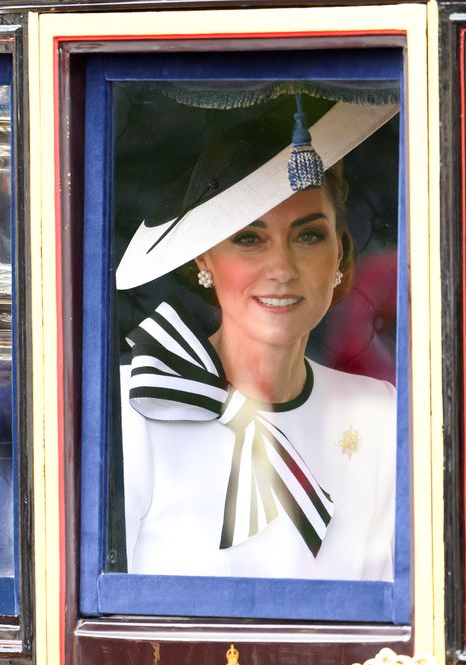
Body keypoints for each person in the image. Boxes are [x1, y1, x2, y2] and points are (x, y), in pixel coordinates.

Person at [116, 94, 399, 580]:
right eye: (249, 238)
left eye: (308, 236)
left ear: (338, 254)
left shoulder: (377, 413)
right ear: (204, 260)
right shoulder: (135, 407)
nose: (282, 270)